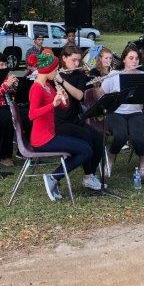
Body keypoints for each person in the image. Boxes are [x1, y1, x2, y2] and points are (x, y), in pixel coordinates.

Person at [28, 49, 92, 201]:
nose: (57, 72)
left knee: (85, 147)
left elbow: (62, 106)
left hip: (51, 134)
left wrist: (63, 99)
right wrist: (53, 105)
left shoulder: (48, 86)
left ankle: (54, 177)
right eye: (55, 69)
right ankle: (54, 177)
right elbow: (32, 114)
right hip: (42, 139)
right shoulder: (36, 88)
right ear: (48, 70)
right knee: (85, 151)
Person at [54, 45, 105, 191]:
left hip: (74, 119)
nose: (77, 64)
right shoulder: (54, 75)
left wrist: (62, 81)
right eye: (73, 60)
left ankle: (89, 176)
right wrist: (55, 77)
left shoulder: (79, 75)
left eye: (78, 60)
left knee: (98, 138)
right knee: (87, 137)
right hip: (57, 122)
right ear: (64, 58)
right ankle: (88, 176)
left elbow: (80, 96)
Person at [100, 46, 144, 179]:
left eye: (137, 58)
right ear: (124, 60)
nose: (134, 61)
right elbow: (102, 95)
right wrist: (98, 86)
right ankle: (111, 156)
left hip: (135, 112)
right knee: (120, 136)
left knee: (137, 138)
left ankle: (143, 160)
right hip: (116, 112)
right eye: (131, 58)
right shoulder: (114, 75)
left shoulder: (142, 76)